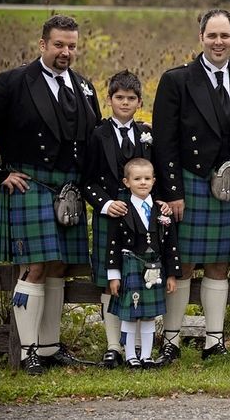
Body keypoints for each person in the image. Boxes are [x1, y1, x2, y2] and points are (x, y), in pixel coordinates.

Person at [0, 15, 101, 375]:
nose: (66, 52)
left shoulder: (84, 87)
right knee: (36, 267)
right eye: (58, 44)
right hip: (32, 186)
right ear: (42, 45)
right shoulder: (14, 82)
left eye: (71, 45)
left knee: (59, 267)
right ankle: (28, 353)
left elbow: (94, 140)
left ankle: (51, 347)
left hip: (69, 189)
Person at [152, 9, 230, 366]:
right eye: (212, 36)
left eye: (224, 36)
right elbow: (164, 142)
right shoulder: (178, 80)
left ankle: (214, 341)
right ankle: (171, 340)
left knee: (220, 263)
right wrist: (172, 192)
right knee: (183, 264)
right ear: (201, 38)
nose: (218, 42)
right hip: (193, 181)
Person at [82, 70, 154, 368]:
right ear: (109, 99)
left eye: (131, 98)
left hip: (140, 219)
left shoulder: (146, 134)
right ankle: (113, 346)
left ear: (139, 101)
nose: (125, 103)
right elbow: (86, 180)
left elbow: (153, 177)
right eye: (119, 97)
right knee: (110, 281)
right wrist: (106, 203)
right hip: (111, 215)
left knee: (138, 278)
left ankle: (137, 348)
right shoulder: (97, 134)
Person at [105, 158, 181, 369]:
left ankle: (146, 356)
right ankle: (131, 356)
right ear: (127, 182)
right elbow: (112, 244)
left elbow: (171, 245)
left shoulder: (162, 211)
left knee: (148, 315)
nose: (143, 182)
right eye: (137, 178)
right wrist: (114, 276)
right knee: (130, 316)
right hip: (130, 265)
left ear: (154, 181)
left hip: (155, 267)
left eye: (147, 178)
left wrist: (172, 274)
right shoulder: (121, 209)